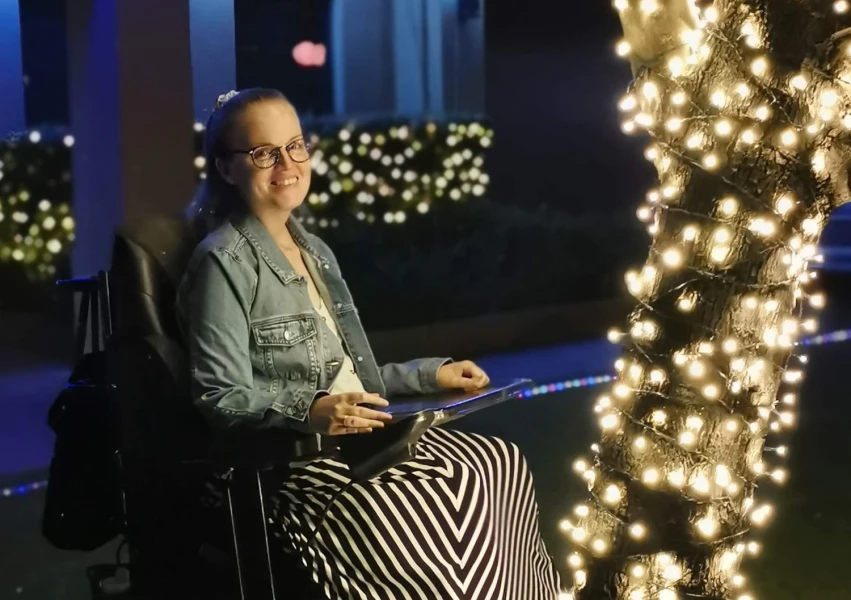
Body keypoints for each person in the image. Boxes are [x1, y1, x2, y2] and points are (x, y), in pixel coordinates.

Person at [176, 88, 563, 600]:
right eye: (264, 152)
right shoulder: (222, 262)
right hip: (292, 466)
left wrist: (429, 375)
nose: (287, 164)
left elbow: (349, 379)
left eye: (295, 146)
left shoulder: (314, 250)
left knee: (498, 461)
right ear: (227, 168)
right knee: (415, 516)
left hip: (358, 441)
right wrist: (311, 409)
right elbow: (220, 397)